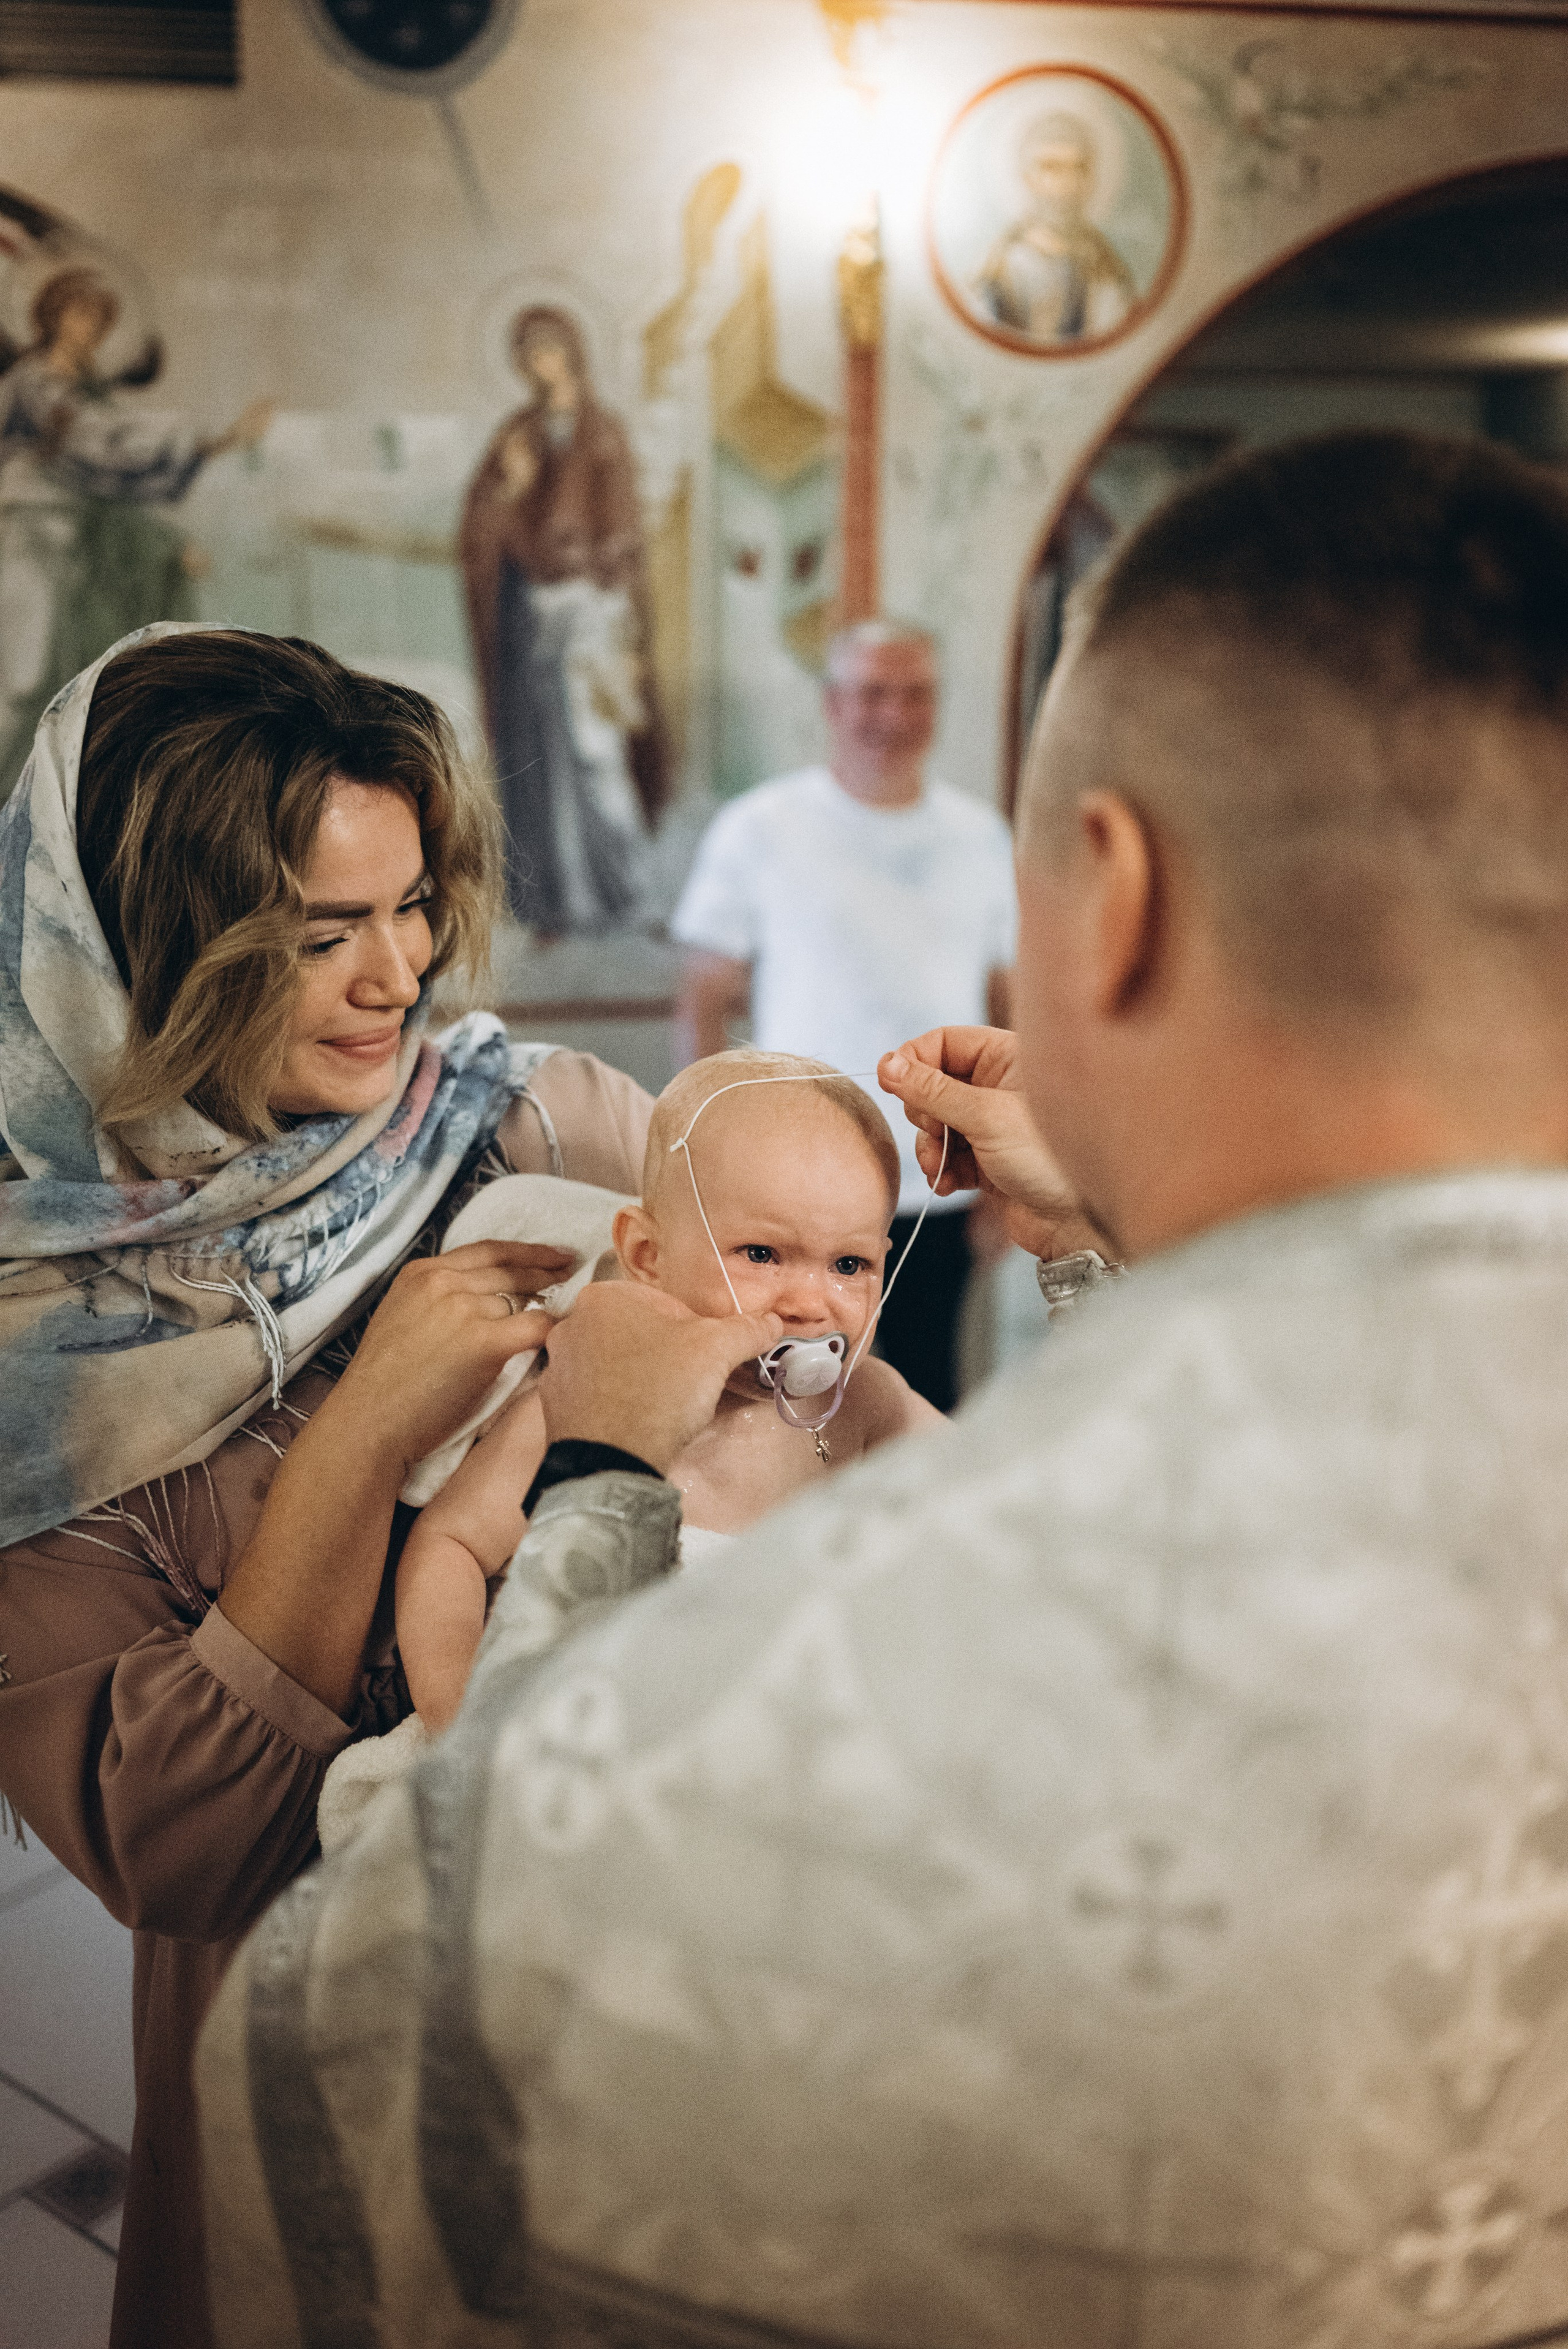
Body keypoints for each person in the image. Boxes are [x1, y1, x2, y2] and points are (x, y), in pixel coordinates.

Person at [200, 429, 1568, 2346]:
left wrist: (598, 1478)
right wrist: (1104, 1238)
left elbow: (365, 2034)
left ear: (1111, 894)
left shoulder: (798, 1697)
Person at [0, 624, 658, 2349]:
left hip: (640, 2019)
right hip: (309, 2082)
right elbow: (180, 1846)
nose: (401, 973)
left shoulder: (531, 1131)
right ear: (145, 952)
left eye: (414, 901)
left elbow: (823, 1359)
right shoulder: (30, 1348)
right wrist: (364, 1434)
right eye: (320, 931)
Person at [392, 1050, 940, 1732]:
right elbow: (452, 1546)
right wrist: (458, 1712)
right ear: (647, 1257)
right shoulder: (589, 1402)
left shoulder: (869, 1403)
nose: (810, 1303)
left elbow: (997, 1481)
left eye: (849, 1265)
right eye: (762, 1254)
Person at [673, 619, 1016, 1412]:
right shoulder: (761, 828)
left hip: (941, 1176)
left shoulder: (981, 836)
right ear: (832, 703)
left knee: (929, 1397)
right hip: (799, 1182)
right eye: (872, 692)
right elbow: (703, 998)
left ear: (936, 707)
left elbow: (1008, 1007)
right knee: (788, 1403)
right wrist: (704, 1153)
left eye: (914, 693)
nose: (892, 714)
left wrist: (1001, 1182)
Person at [0, 267, 272, 798]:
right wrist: (211, 438)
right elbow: (102, 447)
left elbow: (115, 481)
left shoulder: (84, 392)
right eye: (80, 315)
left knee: (64, 685)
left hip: (74, 549)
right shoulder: (37, 382)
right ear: (52, 316)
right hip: (27, 540)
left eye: (100, 320)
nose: (90, 329)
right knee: (21, 679)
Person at [458, 303, 668, 937]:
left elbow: (625, 531)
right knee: (539, 759)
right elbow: (483, 520)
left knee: (596, 755)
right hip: (535, 617)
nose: (540, 364)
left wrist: (624, 625)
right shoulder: (516, 433)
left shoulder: (603, 431)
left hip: (593, 612)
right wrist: (512, 487)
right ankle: (551, 902)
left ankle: (629, 896)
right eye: (529, 354)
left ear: (574, 351)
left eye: (550, 349)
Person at [973, 110, 1137, 346]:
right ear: (1028, 178)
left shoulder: (1105, 270)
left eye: (1078, 168)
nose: (1067, 183)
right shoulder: (1001, 269)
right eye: (1052, 168)